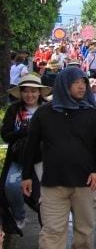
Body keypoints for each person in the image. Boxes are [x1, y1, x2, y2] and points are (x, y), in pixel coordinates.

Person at [21, 67, 96, 249]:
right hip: (53, 183)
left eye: (84, 82)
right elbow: (31, 146)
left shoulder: (92, 112)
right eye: (76, 82)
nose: (81, 86)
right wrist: (26, 176)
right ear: (63, 84)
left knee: (84, 229)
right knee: (51, 230)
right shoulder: (44, 113)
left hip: (85, 184)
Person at [1, 75, 50, 231]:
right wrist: (24, 131)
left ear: (39, 93)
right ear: (21, 93)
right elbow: (6, 135)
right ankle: (19, 216)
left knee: (45, 195)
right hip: (18, 157)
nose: (30, 95)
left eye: (34, 91)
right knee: (11, 185)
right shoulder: (14, 110)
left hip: (42, 158)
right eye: (26, 91)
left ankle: (48, 230)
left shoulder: (48, 109)